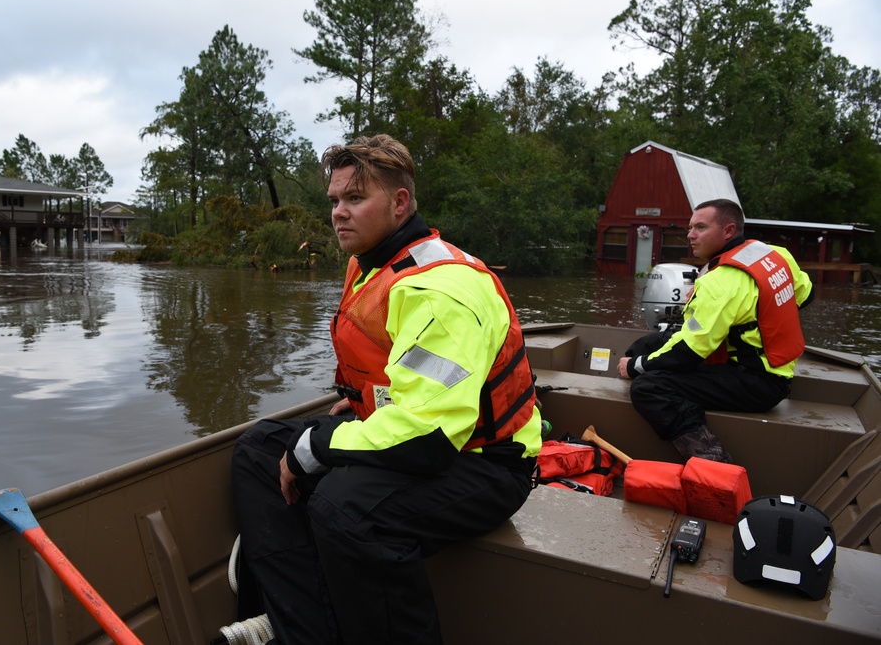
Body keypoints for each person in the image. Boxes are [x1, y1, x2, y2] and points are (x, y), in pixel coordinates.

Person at [231, 134, 542, 645]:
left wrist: (316, 446)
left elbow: (429, 437)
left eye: (355, 199)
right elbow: (400, 376)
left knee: (344, 507)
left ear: (399, 204)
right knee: (260, 449)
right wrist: (356, 404)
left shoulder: (438, 290)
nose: (338, 213)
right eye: (334, 201)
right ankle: (305, 629)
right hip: (428, 431)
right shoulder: (371, 261)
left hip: (487, 462)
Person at [617, 198, 813, 463]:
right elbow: (805, 295)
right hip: (770, 362)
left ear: (729, 231)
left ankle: (711, 458)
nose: (690, 235)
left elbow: (688, 353)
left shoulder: (718, 283)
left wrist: (634, 368)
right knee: (646, 345)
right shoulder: (774, 254)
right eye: (690, 227)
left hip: (758, 382)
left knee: (648, 387)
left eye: (700, 227)